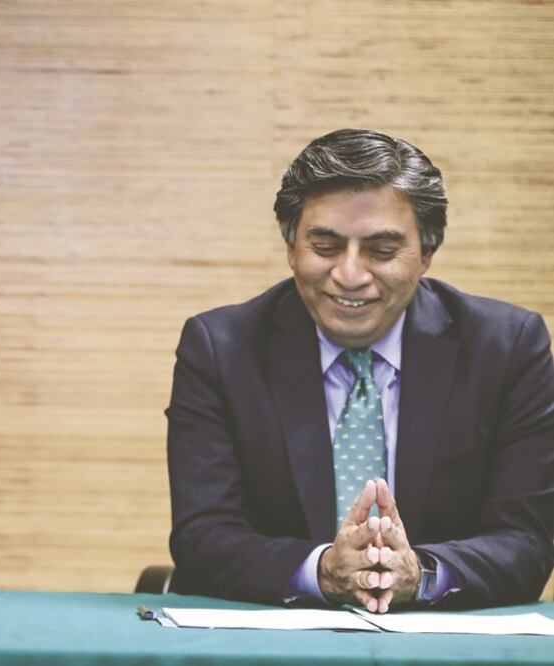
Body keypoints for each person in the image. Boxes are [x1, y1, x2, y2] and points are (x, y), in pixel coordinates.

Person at [166, 128, 554, 612]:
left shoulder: (507, 347)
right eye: (325, 246)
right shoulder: (221, 349)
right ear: (291, 246)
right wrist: (322, 570)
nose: (350, 274)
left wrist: (420, 575)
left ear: (426, 253)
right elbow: (202, 538)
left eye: (381, 250)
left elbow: (527, 542)